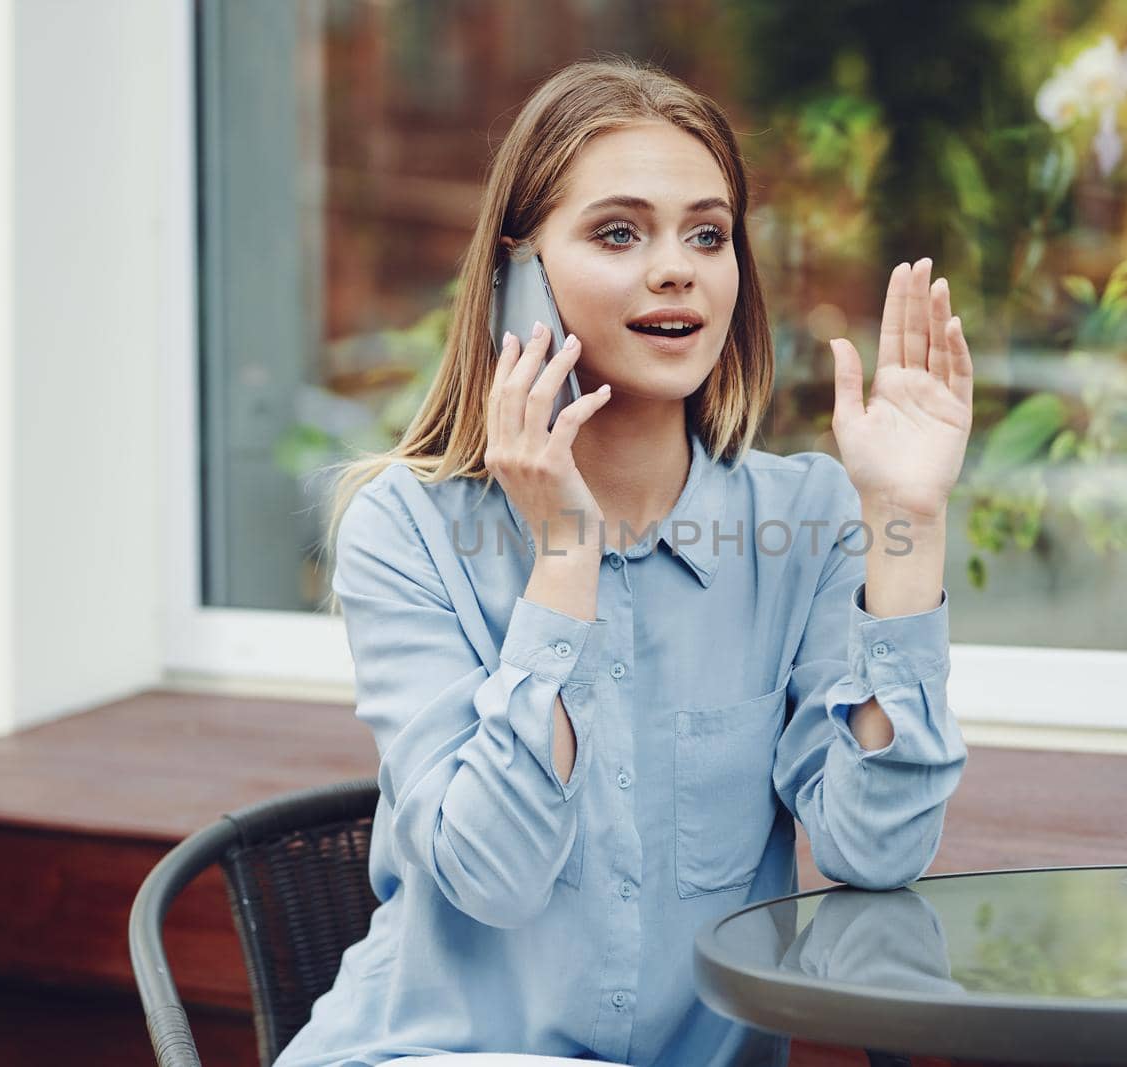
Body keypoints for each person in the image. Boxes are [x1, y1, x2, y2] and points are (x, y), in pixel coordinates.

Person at [274, 55, 973, 1067]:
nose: (677, 267)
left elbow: (879, 848)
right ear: (522, 275)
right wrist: (566, 557)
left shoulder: (808, 517)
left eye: (707, 233)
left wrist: (906, 522)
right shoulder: (406, 527)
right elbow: (493, 873)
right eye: (617, 232)